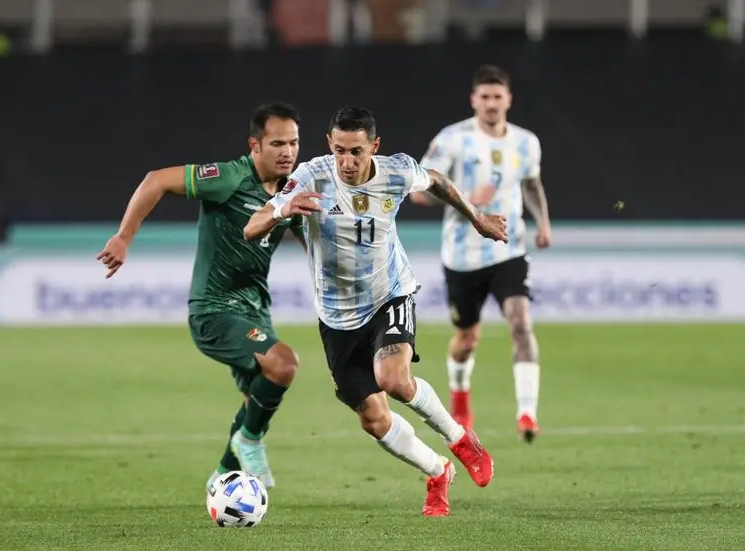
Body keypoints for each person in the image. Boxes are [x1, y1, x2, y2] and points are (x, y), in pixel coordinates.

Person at [243, 107, 507, 517]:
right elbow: (252, 227)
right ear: (330, 145)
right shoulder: (311, 177)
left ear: (375, 147)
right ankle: (438, 472)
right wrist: (282, 209)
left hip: (390, 295)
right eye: (340, 151)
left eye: (357, 152)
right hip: (337, 317)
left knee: (393, 378)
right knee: (373, 419)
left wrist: (476, 218)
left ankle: (459, 438)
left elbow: (435, 181)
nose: (347, 163)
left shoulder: (396, 172)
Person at [97, 102, 305, 490]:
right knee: (283, 364)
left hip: (255, 310)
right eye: (277, 143)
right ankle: (249, 443)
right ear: (255, 146)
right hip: (214, 311)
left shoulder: (291, 193)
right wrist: (125, 237)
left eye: (293, 143)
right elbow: (155, 180)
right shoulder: (227, 178)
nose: (288, 152)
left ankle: (225, 476)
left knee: (256, 396)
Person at [408, 65, 552, 443]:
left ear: (509, 99)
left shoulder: (526, 142)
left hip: (510, 249)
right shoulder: (453, 139)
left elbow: (532, 185)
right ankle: (460, 397)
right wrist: (466, 202)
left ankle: (527, 412)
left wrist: (544, 224)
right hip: (463, 256)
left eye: (497, 96)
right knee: (466, 339)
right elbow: (417, 191)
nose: (491, 103)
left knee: (520, 323)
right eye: (484, 97)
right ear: (474, 100)